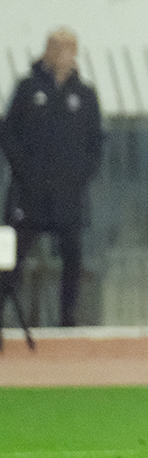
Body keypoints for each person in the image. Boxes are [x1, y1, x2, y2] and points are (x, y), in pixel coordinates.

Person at [0, 29, 102, 329]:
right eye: (57, 47)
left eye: (69, 47)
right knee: (14, 258)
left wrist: (78, 178)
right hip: (28, 193)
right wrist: (26, 172)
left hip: (67, 196)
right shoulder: (28, 89)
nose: (63, 54)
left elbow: (95, 143)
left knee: (72, 256)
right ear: (47, 49)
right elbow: (9, 135)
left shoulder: (83, 95)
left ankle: (67, 319)